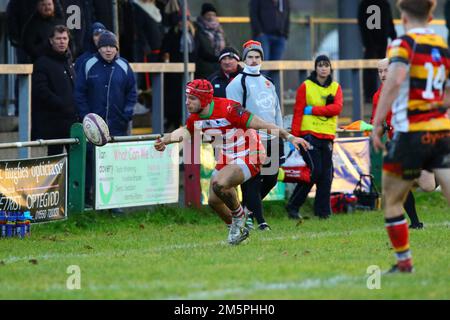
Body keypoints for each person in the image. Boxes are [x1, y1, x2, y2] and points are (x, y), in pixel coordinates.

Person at [154, 79, 310, 244]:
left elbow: (262, 124)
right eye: (187, 97)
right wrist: (166, 140)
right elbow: (187, 131)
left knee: (220, 184)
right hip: (227, 157)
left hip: (250, 153)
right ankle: (238, 233)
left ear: (205, 99)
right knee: (214, 200)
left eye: (192, 98)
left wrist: (289, 136)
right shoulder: (196, 117)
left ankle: (240, 217)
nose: (187, 102)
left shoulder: (229, 109)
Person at [371, 0, 450, 273]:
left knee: (392, 200)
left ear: (403, 17)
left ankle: (404, 263)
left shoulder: (402, 44)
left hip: (411, 134)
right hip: (441, 131)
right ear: (430, 15)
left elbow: (393, 81)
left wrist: (378, 122)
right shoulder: (441, 44)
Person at [371, 58, 436, 229]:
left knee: (428, 186)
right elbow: (376, 123)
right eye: (380, 71)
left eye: (386, 70)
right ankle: (415, 223)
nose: (383, 75)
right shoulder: (378, 96)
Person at [75, 31, 137, 208]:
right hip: (92, 127)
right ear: (98, 48)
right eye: (104, 46)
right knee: (89, 162)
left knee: (114, 164)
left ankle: (114, 202)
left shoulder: (124, 66)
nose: (108, 50)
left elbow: (132, 92)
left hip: (117, 125)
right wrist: (87, 117)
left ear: (116, 48)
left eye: (112, 46)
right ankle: (87, 200)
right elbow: (79, 93)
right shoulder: (88, 65)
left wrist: (127, 114)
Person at [226, 40, 283, 231]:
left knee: (271, 179)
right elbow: (233, 113)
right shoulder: (237, 83)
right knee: (252, 181)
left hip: (272, 137)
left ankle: (246, 210)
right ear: (243, 60)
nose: (253, 60)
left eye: (257, 56)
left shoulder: (269, 82)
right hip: (250, 139)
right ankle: (261, 220)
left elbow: (277, 110)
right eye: (250, 57)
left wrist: (281, 133)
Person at [286, 54, 343, 220]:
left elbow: (337, 109)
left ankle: (323, 212)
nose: (324, 68)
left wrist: (313, 110)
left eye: (326, 65)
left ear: (330, 68)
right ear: (315, 68)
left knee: (326, 174)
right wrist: (293, 138)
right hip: (308, 135)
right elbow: (298, 112)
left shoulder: (336, 87)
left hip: (327, 136)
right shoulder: (306, 86)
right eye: (320, 65)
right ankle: (293, 206)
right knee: (314, 171)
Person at [31, 25, 77, 156]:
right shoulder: (42, 62)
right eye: (58, 38)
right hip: (53, 124)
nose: (62, 41)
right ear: (51, 40)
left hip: (71, 122)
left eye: (64, 38)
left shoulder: (68, 61)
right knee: (54, 161)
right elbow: (41, 90)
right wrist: (61, 104)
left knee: (75, 160)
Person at [358, 0, 397, 102]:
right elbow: (389, 21)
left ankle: (374, 94)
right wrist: (393, 36)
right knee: (374, 68)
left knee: (374, 68)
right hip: (378, 40)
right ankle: (371, 95)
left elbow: (362, 22)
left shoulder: (365, 3)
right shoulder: (384, 3)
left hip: (375, 41)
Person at [194, 3, 226, 79]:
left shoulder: (220, 31)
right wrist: (219, 58)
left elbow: (227, 46)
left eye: (213, 15)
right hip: (205, 69)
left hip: (219, 67)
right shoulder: (197, 30)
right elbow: (203, 52)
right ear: (203, 16)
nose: (211, 17)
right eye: (208, 14)